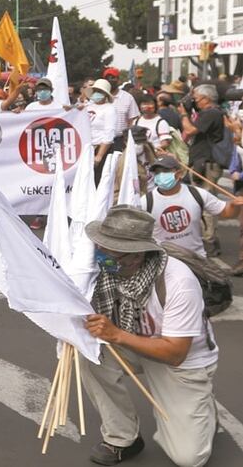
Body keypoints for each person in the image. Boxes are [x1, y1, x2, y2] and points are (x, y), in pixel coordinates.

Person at [82, 206, 219, 467]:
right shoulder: (106, 270)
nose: (103, 256)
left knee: (189, 458)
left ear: (138, 255)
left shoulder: (178, 281)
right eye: (101, 247)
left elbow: (176, 353)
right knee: (82, 352)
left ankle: (204, 410)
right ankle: (122, 437)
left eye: (113, 252)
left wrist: (116, 334)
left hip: (179, 361)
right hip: (133, 342)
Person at [141, 156, 242, 263]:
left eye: (165, 171)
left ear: (179, 174)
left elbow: (227, 213)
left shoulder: (197, 194)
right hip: (164, 262)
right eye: (157, 172)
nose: (161, 175)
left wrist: (234, 205)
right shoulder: (146, 202)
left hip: (196, 260)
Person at [178, 84, 226, 255]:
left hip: (207, 164)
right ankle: (208, 240)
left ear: (206, 98)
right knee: (201, 203)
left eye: (196, 97)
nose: (194, 100)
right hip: (203, 163)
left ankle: (209, 241)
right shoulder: (212, 113)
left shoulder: (211, 113)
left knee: (206, 204)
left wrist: (184, 112)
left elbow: (190, 130)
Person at [85, 78, 119, 181]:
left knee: (98, 179)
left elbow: (109, 133)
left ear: (105, 94)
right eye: (95, 91)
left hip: (99, 148)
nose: (96, 94)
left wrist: (99, 155)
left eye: (100, 92)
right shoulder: (88, 107)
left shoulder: (109, 109)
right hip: (87, 149)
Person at [104, 68, 139, 135]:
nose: (110, 80)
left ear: (118, 80)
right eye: (108, 78)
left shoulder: (128, 98)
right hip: (101, 139)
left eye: (113, 78)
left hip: (120, 139)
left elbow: (133, 119)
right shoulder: (100, 97)